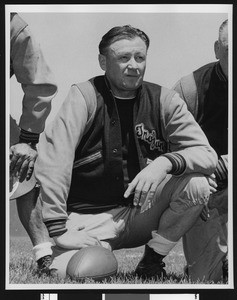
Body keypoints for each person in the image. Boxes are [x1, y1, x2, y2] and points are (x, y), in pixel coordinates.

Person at [35, 25, 218, 279]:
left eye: (140, 57)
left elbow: (207, 154)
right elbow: (56, 161)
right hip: (89, 218)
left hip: (141, 212)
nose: (134, 65)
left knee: (197, 184)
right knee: (73, 272)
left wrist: (164, 163)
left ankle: (152, 262)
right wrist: (58, 229)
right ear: (103, 61)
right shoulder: (84, 96)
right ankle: (87, 253)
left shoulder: (164, 99)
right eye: (123, 58)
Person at [173, 19, 228, 283]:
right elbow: (164, 149)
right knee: (206, 280)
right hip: (211, 191)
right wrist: (201, 163)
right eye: (231, 49)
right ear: (217, 49)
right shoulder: (190, 89)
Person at [9, 12, 58, 273]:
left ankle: (44, 254)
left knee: (23, 169)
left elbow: (38, 82)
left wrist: (28, 140)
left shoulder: (12, 25)